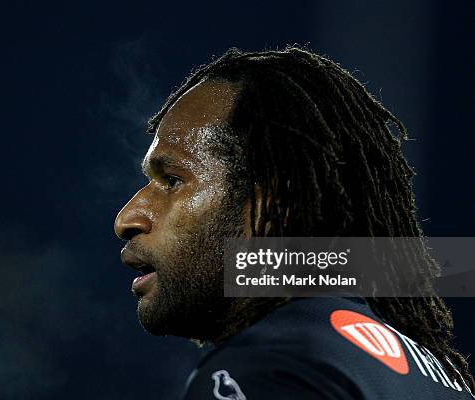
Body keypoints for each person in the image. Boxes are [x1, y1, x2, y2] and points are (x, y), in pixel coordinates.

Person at [113, 47, 474, 399]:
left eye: (172, 180)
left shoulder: (265, 369)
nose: (126, 219)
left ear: (273, 199)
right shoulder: (438, 376)